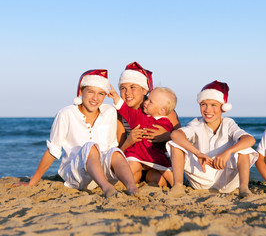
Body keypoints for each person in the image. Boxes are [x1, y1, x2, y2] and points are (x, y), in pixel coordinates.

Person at [13, 69, 138, 198]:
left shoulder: (110, 112)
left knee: (115, 152)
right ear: (81, 91)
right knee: (90, 147)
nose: (95, 98)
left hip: (103, 172)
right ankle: (107, 188)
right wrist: (32, 182)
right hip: (76, 174)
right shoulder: (66, 113)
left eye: (101, 93)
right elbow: (53, 150)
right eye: (90, 92)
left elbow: (113, 146)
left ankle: (132, 187)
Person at [167, 80, 258, 197]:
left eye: (213, 105)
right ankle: (178, 186)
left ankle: (244, 188)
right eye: (203, 104)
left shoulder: (228, 123)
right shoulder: (196, 123)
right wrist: (198, 153)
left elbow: (250, 140)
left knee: (245, 148)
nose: (207, 110)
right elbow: (175, 135)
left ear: (223, 107)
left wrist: (228, 152)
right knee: (175, 144)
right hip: (201, 178)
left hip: (226, 181)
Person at [117, 62, 180, 186]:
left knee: (159, 180)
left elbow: (181, 139)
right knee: (131, 177)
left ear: (144, 90)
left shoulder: (162, 109)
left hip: (157, 161)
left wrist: (166, 135)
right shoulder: (121, 114)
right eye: (122, 88)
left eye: (133, 87)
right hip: (134, 159)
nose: (127, 92)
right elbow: (119, 149)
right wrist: (129, 141)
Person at [109, 86, 177, 186]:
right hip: (136, 153)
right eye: (147, 99)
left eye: (150, 102)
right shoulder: (138, 116)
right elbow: (125, 110)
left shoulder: (166, 123)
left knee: (166, 170)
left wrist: (167, 135)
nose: (145, 102)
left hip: (155, 156)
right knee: (131, 166)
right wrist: (115, 97)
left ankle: (177, 185)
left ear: (162, 110)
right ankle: (121, 183)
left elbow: (176, 137)